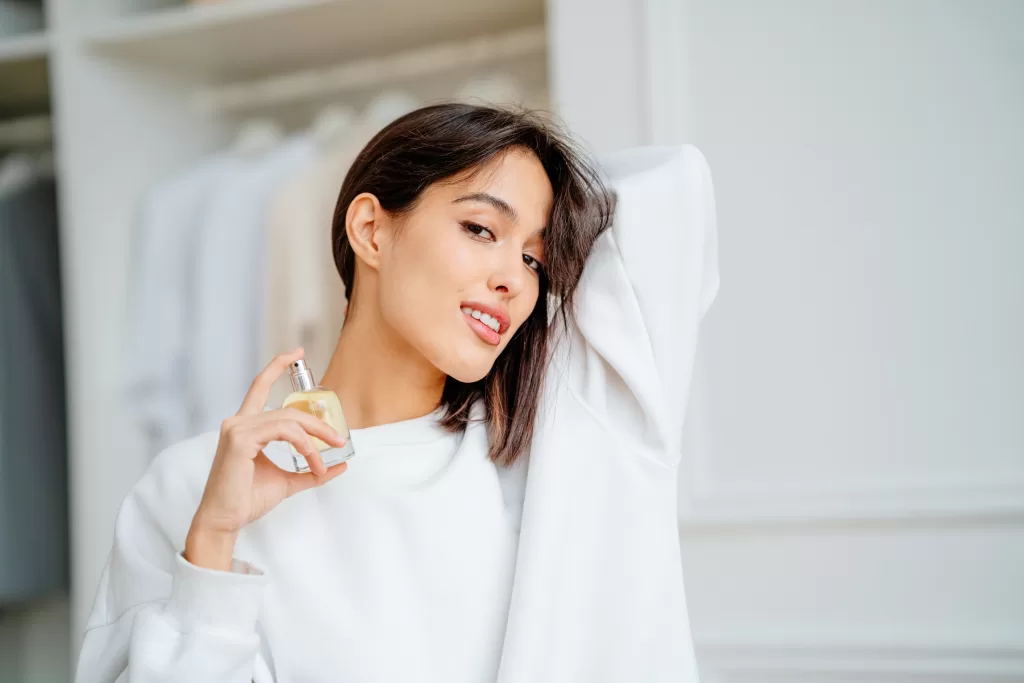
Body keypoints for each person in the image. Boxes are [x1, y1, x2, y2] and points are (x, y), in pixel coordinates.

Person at [75, 103, 718, 682]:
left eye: (533, 259)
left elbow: (675, 187)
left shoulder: (540, 464)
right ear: (371, 230)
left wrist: (542, 165)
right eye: (481, 229)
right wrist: (213, 542)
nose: (514, 282)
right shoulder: (189, 490)